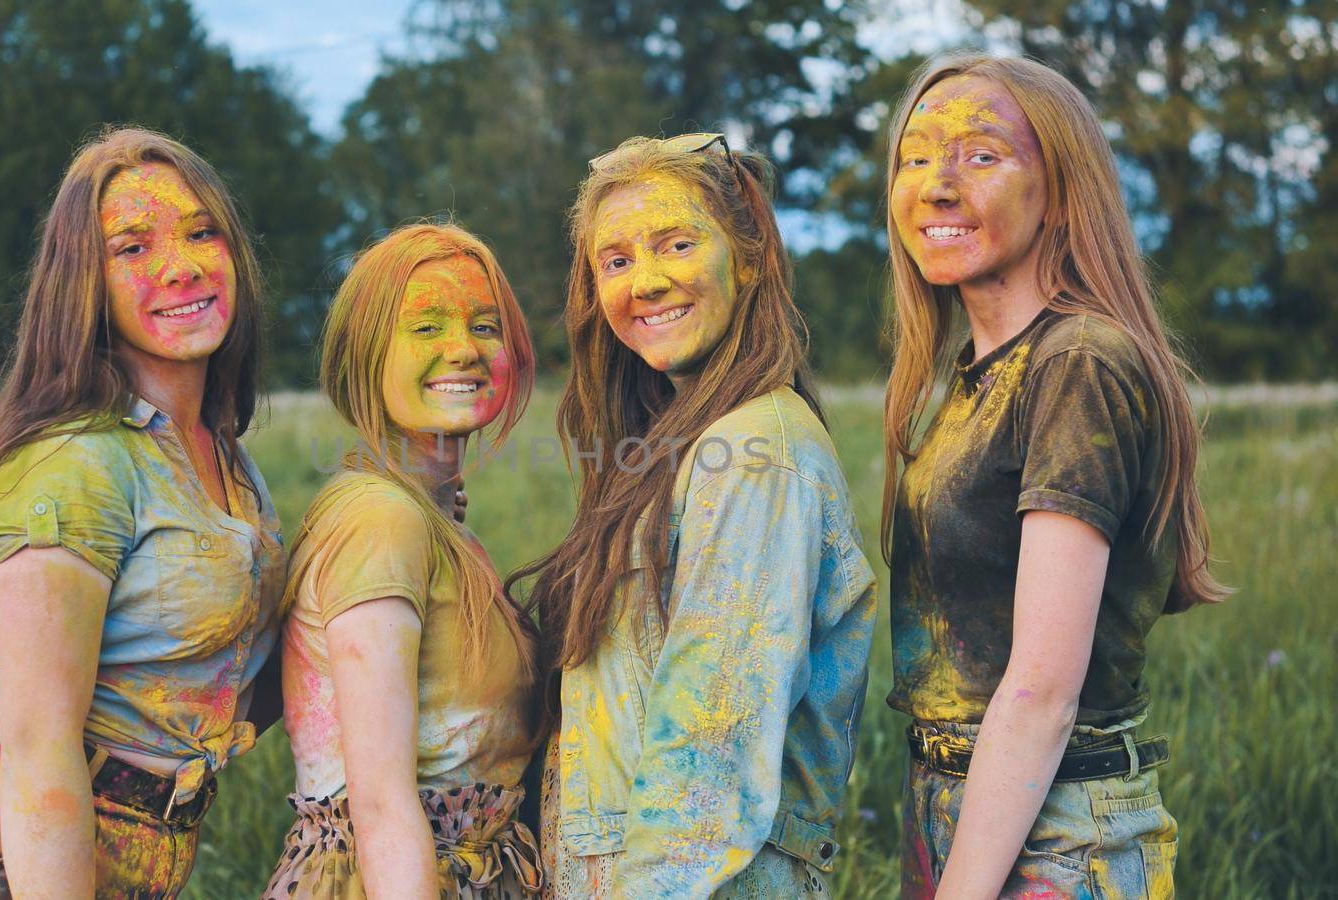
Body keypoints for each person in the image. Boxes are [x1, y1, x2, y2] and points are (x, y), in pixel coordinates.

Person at [0, 127, 286, 899]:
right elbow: (38, 746)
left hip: (131, 853)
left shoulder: (222, 456)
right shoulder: (74, 465)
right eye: (132, 248)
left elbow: (254, 666)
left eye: (203, 232)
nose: (181, 265)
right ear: (82, 283)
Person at [881, 53, 1231, 898]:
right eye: (916, 155)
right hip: (960, 807)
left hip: (1060, 835)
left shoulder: (1078, 362)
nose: (937, 184)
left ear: (1062, 190)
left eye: (982, 154)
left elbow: (1039, 693)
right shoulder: (974, 373)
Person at [519, 134, 877, 898]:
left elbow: (708, 765)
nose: (645, 281)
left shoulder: (753, 455)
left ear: (747, 259)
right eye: (615, 260)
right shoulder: (683, 444)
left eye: (676, 244)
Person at [262, 223, 544, 899]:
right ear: (365, 354)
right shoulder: (381, 521)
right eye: (425, 328)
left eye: (484, 324)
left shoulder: (436, 517)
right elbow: (382, 803)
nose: (463, 349)